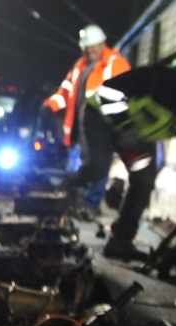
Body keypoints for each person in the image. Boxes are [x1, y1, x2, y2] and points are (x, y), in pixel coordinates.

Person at [87, 65, 176, 259]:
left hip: (138, 137)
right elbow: (107, 92)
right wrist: (124, 127)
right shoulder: (157, 79)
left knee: (144, 182)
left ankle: (120, 243)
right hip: (101, 119)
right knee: (97, 169)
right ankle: (58, 193)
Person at [44, 24, 131, 220]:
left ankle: (91, 205)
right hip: (80, 126)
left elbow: (126, 94)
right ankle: (74, 203)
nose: (89, 50)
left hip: (102, 127)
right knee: (80, 166)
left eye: (93, 46)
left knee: (99, 164)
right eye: (86, 47)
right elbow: (66, 91)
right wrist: (51, 105)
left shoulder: (115, 64)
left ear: (102, 44)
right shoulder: (80, 65)